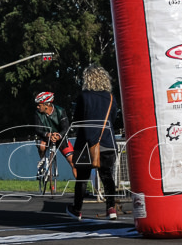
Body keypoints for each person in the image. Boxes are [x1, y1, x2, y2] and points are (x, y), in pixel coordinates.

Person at [66, 65, 118, 220]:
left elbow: (77, 119)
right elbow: (113, 119)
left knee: (82, 178)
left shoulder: (83, 96)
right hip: (107, 142)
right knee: (107, 176)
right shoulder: (110, 98)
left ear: (87, 79)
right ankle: (111, 208)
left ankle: (77, 210)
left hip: (85, 143)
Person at [33, 91, 75, 174]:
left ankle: (80, 185)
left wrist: (59, 135)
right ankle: (42, 160)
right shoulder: (37, 114)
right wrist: (47, 134)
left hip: (60, 137)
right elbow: (38, 129)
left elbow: (66, 127)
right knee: (42, 146)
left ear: (46, 105)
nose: (37, 107)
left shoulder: (60, 111)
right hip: (46, 137)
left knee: (73, 161)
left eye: (39, 105)